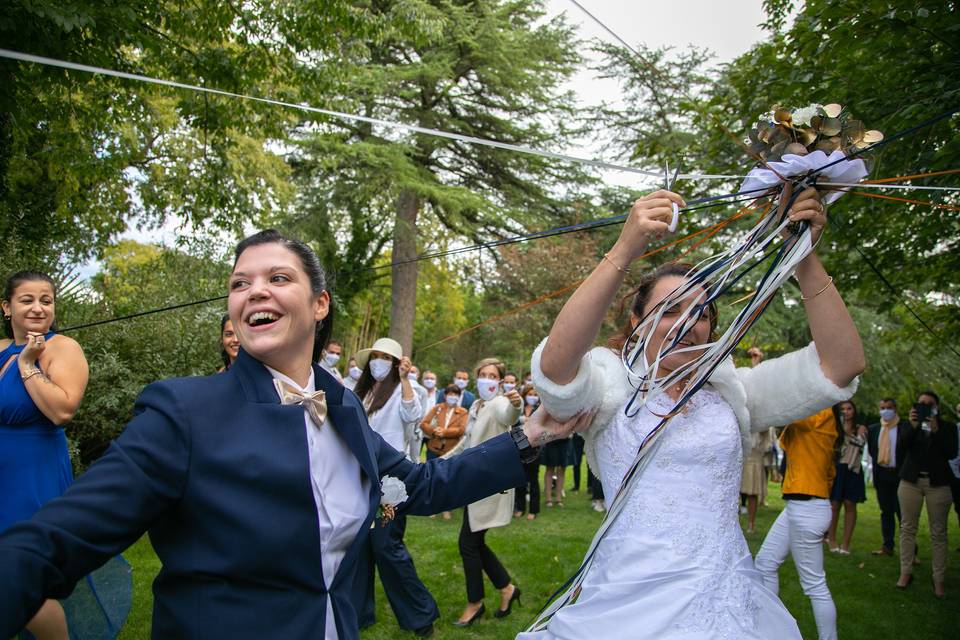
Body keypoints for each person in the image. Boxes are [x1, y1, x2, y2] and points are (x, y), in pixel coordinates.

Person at [0, 231, 583, 640]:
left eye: (278, 278)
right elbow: (59, 537)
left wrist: (530, 434)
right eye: (239, 283)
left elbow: (421, 487)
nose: (254, 291)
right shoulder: (184, 410)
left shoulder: (345, 408)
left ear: (319, 302)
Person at [520, 187, 864, 640]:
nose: (687, 322)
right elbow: (555, 371)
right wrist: (626, 247)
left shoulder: (731, 392)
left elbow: (840, 367)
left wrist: (802, 254)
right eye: (669, 310)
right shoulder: (609, 384)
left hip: (725, 593)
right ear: (639, 321)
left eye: (700, 312)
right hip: (630, 597)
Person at [1, 271, 126, 640]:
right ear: (7, 307)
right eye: (27, 300)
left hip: (30, 476)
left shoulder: (62, 348)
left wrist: (27, 365)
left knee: (25, 573)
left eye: (47, 300)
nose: (39, 308)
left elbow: (62, 410)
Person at [350, 337, 437, 635]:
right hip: (358, 475)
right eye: (375, 356)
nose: (379, 362)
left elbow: (413, 416)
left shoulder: (406, 389)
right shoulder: (358, 391)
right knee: (359, 547)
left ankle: (420, 616)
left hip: (391, 479)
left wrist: (405, 379)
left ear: (397, 363)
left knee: (387, 547)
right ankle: (359, 614)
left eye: (385, 358)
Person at [445, 357, 524, 626]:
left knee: (468, 543)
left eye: (493, 375)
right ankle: (506, 589)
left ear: (500, 381)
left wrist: (517, 404)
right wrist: (441, 461)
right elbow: (467, 442)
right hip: (473, 483)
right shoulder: (477, 405)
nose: (487, 379)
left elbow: (508, 415)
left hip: (489, 485)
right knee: (475, 542)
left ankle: (475, 603)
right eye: (483, 374)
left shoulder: (499, 403)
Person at [895, 391, 958, 598]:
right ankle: (905, 572)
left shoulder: (947, 427)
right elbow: (901, 448)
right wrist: (913, 428)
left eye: (929, 404)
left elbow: (951, 452)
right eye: (920, 403)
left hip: (938, 484)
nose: (924, 407)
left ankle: (938, 578)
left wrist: (936, 431)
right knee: (907, 528)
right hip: (910, 482)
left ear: (936, 407)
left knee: (938, 532)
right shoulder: (908, 425)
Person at [866, 398, 909, 557]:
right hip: (882, 474)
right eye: (882, 407)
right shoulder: (874, 429)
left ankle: (910, 550)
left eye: (889, 407)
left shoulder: (904, 427)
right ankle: (887, 546)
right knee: (886, 511)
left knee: (902, 513)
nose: (885, 410)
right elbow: (872, 450)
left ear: (895, 408)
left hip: (899, 474)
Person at [825, 400, 868, 553]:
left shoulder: (860, 429)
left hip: (853, 469)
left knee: (850, 504)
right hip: (837, 467)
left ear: (854, 410)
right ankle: (831, 539)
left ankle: (846, 543)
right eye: (842, 409)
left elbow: (861, 445)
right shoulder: (834, 427)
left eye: (849, 408)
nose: (846, 411)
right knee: (834, 505)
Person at [421, 384, 469, 521]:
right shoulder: (437, 408)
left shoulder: (463, 412)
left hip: (451, 451)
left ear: (459, 397)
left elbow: (462, 429)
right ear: (445, 395)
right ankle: (431, 507)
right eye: (450, 394)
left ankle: (446, 508)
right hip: (433, 448)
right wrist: (433, 430)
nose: (452, 397)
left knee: (448, 480)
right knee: (431, 478)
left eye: (455, 394)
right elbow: (424, 423)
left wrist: (445, 432)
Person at [514, 385, 542, 520]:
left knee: (533, 479)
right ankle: (520, 507)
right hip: (518, 447)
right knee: (520, 478)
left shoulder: (540, 410)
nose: (532, 396)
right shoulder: (518, 409)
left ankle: (533, 510)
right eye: (530, 394)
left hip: (534, 448)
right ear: (524, 395)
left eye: (535, 394)